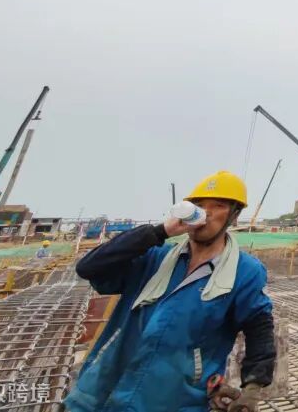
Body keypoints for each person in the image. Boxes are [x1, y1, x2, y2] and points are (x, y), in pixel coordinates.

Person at [66, 171, 275, 412]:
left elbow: (259, 329)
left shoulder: (244, 272)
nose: (205, 213)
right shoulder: (155, 258)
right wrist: (159, 232)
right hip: (97, 397)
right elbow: (88, 268)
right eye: (198, 205)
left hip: (173, 402)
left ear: (234, 215)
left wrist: (252, 389)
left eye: (217, 206)